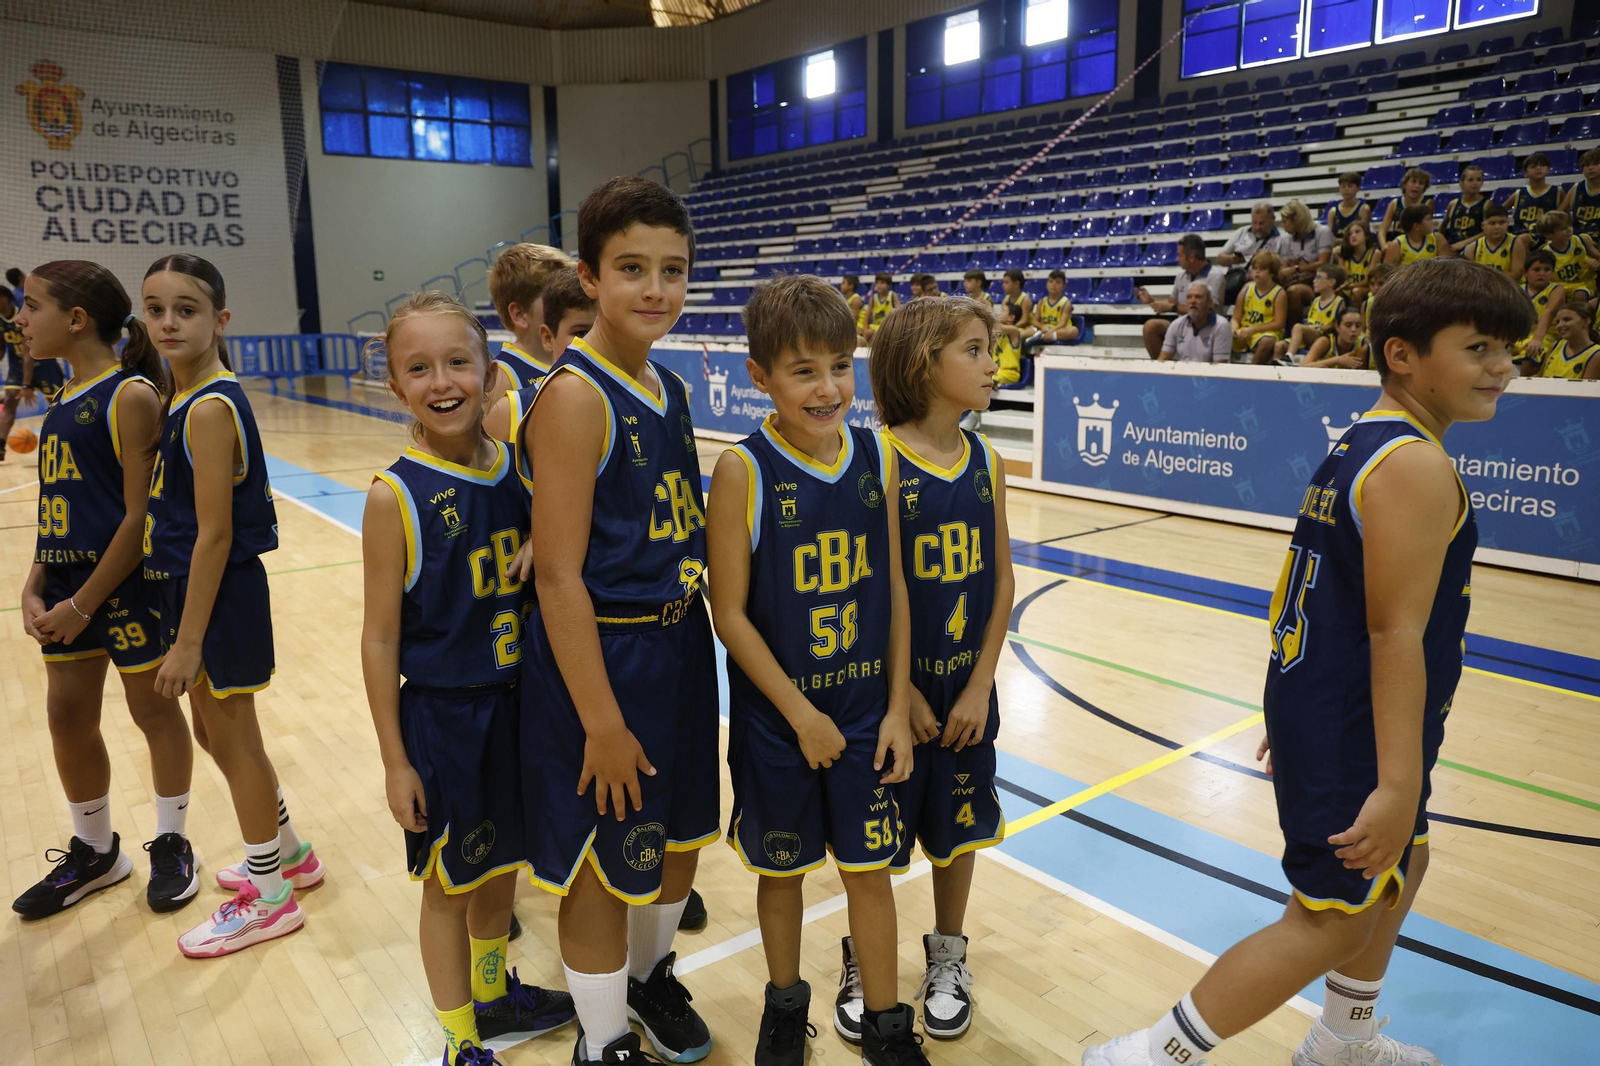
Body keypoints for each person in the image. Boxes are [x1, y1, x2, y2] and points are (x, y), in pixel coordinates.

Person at [1083, 256, 1534, 1066]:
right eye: (1480, 348)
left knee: (1408, 858)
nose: (1503, 366)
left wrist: (1297, 712)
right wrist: (1393, 783)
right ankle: (1145, 1057)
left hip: (1335, 710)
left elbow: (1320, 597)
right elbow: (1395, 634)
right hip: (1356, 725)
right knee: (1332, 918)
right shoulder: (1416, 463)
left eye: (1508, 348)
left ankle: (1344, 1040)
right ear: (1403, 353)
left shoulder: (1364, 440)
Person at [520, 177, 719, 1066]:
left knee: (678, 840)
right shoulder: (575, 395)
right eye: (632, 268)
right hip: (604, 655)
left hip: (678, 642)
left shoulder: (669, 388)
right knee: (604, 862)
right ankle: (601, 1041)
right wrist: (601, 719)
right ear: (589, 279)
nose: (655, 290)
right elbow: (559, 577)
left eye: (672, 270)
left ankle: (649, 978)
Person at [706, 274, 922, 1066]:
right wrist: (801, 715)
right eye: (804, 370)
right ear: (759, 376)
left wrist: (897, 708)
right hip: (780, 721)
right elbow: (728, 613)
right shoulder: (742, 471)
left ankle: (890, 1027)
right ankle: (783, 1006)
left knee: (870, 872)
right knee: (782, 871)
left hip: (866, 712)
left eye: (840, 365)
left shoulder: (877, 455)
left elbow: (894, 586)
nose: (828, 387)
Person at [361, 291, 576, 1066]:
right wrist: (394, 760)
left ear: (491, 376)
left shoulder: (518, 466)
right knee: (450, 885)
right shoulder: (394, 497)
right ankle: (459, 1042)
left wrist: (544, 532)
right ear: (394, 387)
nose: (441, 380)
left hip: (526, 705)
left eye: (458, 362)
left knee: (501, 868)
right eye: (418, 368)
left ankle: (492, 997)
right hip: (449, 721)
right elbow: (380, 638)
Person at [139, 254, 319, 958]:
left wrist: (187, 642)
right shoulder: (184, 396)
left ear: (220, 320)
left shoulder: (210, 406)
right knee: (217, 736)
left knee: (234, 739)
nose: (168, 321)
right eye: (155, 308)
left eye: (185, 309)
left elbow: (215, 533)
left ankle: (271, 897)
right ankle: (290, 856)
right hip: (196, 591)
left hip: (219, 595)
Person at [11, 261, 198, 922]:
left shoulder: (131, 395)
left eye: (31, 306)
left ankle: (173, 841)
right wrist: (35, 581)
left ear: (77, 319)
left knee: (152, 712)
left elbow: (137, 516)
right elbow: (54, 503)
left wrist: (83, 600)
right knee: (67, 715)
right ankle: (95, 851)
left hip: (120, 587)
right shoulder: (58, 399)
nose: (20, 319)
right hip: (64, 585)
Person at [866, 294, 1013, 1043]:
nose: (993, 364)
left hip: (967, 692)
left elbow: (1003, 582)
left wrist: (981, 683)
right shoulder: (881, 460)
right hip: (899, 695)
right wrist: (907, 692)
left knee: (957, 831)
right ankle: (868, 958)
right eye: (976, 350)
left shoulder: (987, 457)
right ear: (926, 363)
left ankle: (948, 953)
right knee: (877, 841)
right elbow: (877, 587)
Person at [483, 266, 596, 443]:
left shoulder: (643, 392)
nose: (594, 342)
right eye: (580, 333)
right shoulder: (510, 401)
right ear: (548, 338)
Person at [486, 244, 576, 409]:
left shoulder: (573, 360)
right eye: (555, 299)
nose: (568, 307)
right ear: (520, 315)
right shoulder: (502, 378)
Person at [1137, 234, 1224, 358]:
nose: (1177, 259)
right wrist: (1151, 301)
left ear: (1192, 257)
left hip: (1208, 326)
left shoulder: (1215, 276)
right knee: (1151, 327)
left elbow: (1210, 308)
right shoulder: (1181, 277)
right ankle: (1163, 371)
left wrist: (1173, 308)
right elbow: (1171, 303)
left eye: (1180, 255)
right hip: (1182, 325)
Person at [1515, 210, 1599, 301]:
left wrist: (1596, 264)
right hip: (1558, 285)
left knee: (1579, 295)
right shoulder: (1545, 252)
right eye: (1563, 229)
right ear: (1549, 235)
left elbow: (1598, 257)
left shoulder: (1582, 240)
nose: (1569, 230)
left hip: (1583, 283)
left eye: (1570, 226)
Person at [1277, 200, 1334, 326]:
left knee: (1294, 292)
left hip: (1318, 281)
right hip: (1295, 278)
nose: (1283, 225)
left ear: (1296, 219)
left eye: (1285, 221)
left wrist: (1297, 268)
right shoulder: (1286, 239)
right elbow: (1285, 264)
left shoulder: (1322, 232)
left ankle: (1295, 330)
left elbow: (1323, 263)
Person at [1279, 264, 1347, 361]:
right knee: (1279, 346)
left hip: (1324, 337)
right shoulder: (1315, 301)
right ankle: (1278, 370)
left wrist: (1318, 327)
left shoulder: (1339, 302)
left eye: (1319, 277)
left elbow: (1337, 327)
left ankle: (1289, 356)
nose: (1314, 281)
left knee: (1298, 327)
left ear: (1331, 282)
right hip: (1309, 333)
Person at [1523, 299, 1600, 379]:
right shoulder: (1555, 346)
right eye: (1558, 322)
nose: (1559, 325)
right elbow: (1540, 375)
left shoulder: (1596, 355)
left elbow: (1585, 389)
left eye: (1567, 319)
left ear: (1587, 321)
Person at [1233, 251, 1286, 365]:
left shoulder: (1279, 293)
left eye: (1262, 269)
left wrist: (1253, 330)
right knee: (1221, 332)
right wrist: (1235, 330)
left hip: (1266, 331)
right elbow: (1235, 318)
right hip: (1245, 330)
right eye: (1255, 268)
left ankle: (1252, 375)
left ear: (1272, 273)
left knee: (1266, 342)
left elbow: (1279, 323)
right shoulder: (1246, 289)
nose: (1257, 271)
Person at [1159, 283, 1232, 363]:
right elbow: (1163, 359)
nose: (1193, 301)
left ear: (1210, 303)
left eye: (1198, 297)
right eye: (1189, 297)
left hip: (1208, 374)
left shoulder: (1221, 326)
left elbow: (1219, 366)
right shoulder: (1176, 325)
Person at [1517, 248, 1566, 368]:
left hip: (1547, 335)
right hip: (1521, 335)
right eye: (1536, 269)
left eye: (1547, 270)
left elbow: (1549, 313)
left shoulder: (1557, 289)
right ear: (1525, 272)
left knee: (1532, 354)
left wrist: (1537, 339)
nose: (1542, 273)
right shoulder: (1517, 290)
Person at [1377, 167, 1433, 250]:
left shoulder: (1427, 204)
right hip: (1397, 243)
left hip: (1417, 244)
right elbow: (1382, 231)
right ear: (1405, 184)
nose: (1416, 186)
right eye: (1413, 182)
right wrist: (1384, 246)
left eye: (1421, 183)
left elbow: (1428, 231)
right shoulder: (1394, 203)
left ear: (1424, 188)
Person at [1503, 153, 1558, 236]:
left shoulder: (1557, 191)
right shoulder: (1519, 193)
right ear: (1525, 173)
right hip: (1521, 236)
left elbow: (1565, 218)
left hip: (1547, 237)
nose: (1538, 168)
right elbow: (1498, 212)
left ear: (1548, 169)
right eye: (1533, 166)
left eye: (1542, 165)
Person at [1216, 203, 1287, 267]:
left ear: (1273, 219)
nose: (1257, 227)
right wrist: (1231, 259)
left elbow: (1283, 266)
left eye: (1261, 223)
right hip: (1238, 277)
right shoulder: (1242, 232)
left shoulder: (1281, 239)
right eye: (1254, 222)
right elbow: (1220, 259)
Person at [1382, 206, 1453, 267]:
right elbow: (1387, 273)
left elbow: (1447, 268)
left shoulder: (1438, 238)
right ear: (1416, 226)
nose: (1432, 222)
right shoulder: (1397, 244)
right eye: (1428, 219)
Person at [1301, 307, 1369, 370]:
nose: (1354, 329)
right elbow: (1303, 366)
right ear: (1337, 326)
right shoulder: (1325, 342)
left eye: (1358, 326)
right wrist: (1337, 360)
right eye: (1348, 325)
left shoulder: (1364, 344)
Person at [1027, 269, 1079, 351]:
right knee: (1027, 330)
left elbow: (1062, 323)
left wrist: (1051, 331)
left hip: (1058, 330)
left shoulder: (1066, 303)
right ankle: (1042, 336)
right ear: (1047, 284)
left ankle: (1045, 337)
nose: (1053, 285)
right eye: (1050, 282)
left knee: (1074, 331)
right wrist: (1043, 327)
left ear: (1064, 286)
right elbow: (1035, 321)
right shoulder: (1042, 301)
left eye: (1058, 282)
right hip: (1044, 329)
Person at [1441, 163, 1491, 245]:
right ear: (1461, 183)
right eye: (1471, 180)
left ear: (1482, 183)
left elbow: (1487, 232)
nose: (1475, 183)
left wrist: (1463, 243)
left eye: (1478, 180)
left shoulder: (1487, 204)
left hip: (1475, 247)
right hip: (1452, 247)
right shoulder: (1453, 204)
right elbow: (1442, 227)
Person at [1460, 202, 1514, 274]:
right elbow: (1470, 275)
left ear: (1508, 223)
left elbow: (1517, 272)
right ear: (1483, 226)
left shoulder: (1516, 243)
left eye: (1501, 223)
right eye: (1492, 223)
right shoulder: (1472, 248)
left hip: (1509, 284)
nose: (1497, 227)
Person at [1559, 148, 1600, 241]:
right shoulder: (1576, 188)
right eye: (1586, 165)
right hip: (1578, 237)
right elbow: (1559, 214)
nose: (1590, 168)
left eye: (1595, 164)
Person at [1333, 221, 1379, 304]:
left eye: (1357, 232)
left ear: (1366, 236)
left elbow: (1367, 280)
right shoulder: (1343, 253)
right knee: (1334, 291)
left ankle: (1359, 315)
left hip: (1366, 288)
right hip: (1349, 288)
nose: (1353, 235)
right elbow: (1343, 278)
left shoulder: (1374, 253)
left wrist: (1351, 286)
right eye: (1350, 234)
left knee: (1356, 292)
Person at [1324, 173, 1371, 241]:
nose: (1346, 189)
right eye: (1343, 186)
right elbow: (1328, 237)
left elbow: (1364, 236)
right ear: (1339, 189)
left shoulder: (1363, 209)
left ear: (1358, 188)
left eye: (1350, 186)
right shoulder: (1333, 212)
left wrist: (1340, 241)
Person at [860, 273, 901, 343]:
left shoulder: (892, 295)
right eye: (877, 283)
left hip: (888, 326)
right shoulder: (873, 298)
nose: (879, 285)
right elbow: (867, 316)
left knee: (871, 333)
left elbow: (900, 312)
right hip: (876, 326)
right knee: (866, 332)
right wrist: (865, 329)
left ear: (888, 285)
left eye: (882, 283)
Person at [992, 301, 1025, 386]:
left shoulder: (1014, 331)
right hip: (996, 371)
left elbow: (995, 326)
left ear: (1011, 317)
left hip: (1010, 373)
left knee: (986, 380)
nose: (998, 312)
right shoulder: (996, 333)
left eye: (1002, 310)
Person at [1362, 263, 1396, 336]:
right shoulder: (1366, 304)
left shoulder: (1398, 303)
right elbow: (1362, 330)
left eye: (1380, 283)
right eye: (1372, 284)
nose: (1376, 288)